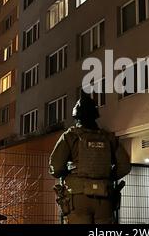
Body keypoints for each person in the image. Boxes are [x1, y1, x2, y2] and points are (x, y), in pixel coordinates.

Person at [49, 94, 131, 224]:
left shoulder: (70, 136)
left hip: (77, 198)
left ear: (76, 116)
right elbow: (125, 166)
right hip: (105, 198)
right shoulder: (108, 137)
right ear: (95, 115)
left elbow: (56, 167)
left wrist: (67, 174)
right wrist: (108, 176)